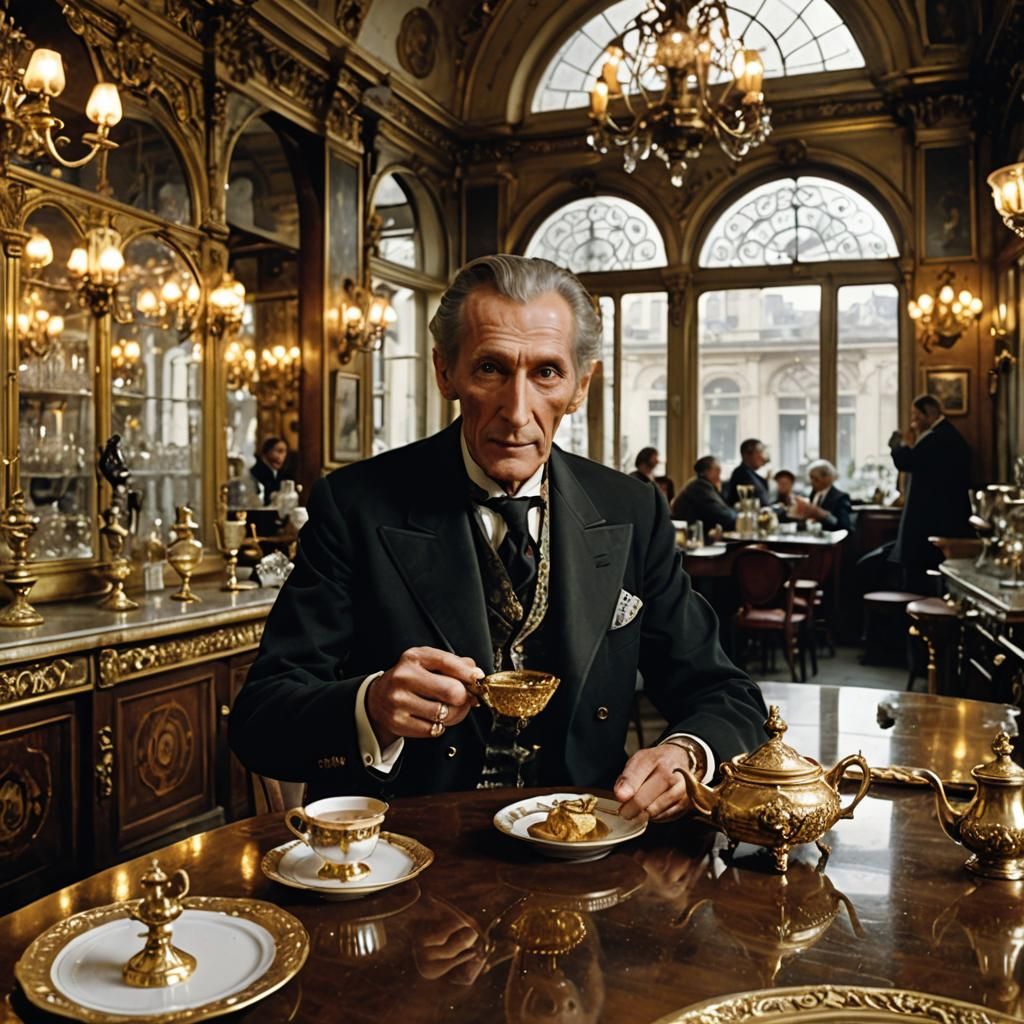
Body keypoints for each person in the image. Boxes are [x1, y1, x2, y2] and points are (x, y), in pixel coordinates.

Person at [230, 255, 766, 823]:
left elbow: (727, 695)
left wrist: (688, 753)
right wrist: (371, 707)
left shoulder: (631, 509)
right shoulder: (353, 505)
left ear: (580, 385)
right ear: (445, 372)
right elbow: (260, 720)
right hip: (411, 856)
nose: (516, 412)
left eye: (546, 373)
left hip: (587, 854)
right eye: (490, 368)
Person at [888, 394, 971, 593]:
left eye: (916, 415)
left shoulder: (938, 438)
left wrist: (900, 444)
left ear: (930, 413)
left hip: (933, 519)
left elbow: (907, 462)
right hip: (939, 516)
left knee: (920, 580)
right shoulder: (944, 435)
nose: (913, 421)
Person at [671, 456, 737, 533]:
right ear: (707, 471)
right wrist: (740, 517)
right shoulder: (699, 487)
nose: (719, 474)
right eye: (717, 470)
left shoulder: (701, 485)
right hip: (695, 536)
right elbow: (722, 516)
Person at [789, 460, 852, 532]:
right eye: (811, 478)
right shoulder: (813, 494)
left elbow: (844, 526)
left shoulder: (840, 497)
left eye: (815, 479)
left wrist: (825, 515)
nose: (812, 482)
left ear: (828, 478)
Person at [725, 438, 770, 506]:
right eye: (759, 452)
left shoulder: (752, 475)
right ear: (746, 455)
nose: (762, 457)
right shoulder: (741, 474)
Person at [250, 437, 290, 506]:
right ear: (267, 451)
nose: (283, 456)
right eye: (280, 451)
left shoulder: (282, 473)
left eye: (285, 452)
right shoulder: (256, 472)